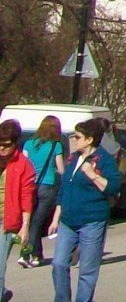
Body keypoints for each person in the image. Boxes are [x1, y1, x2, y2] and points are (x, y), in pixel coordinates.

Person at [47, 117, 120, 302]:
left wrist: (92, 175)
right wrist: (56, 218)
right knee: (58, 263)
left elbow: (113, 188)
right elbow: (64, 189)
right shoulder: (73, 159)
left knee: (87, 270)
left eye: (78, 137)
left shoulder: (104, 160)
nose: (74, 140)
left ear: (89, 139)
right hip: (68, 221)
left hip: (92, 221)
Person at [20, 117, 62, 267]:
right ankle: (26, 254)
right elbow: (61, 169)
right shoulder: (56, 145)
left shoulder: (28, 144)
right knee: (37, 223)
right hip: (48, 186)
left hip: (30, 185)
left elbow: (23, 166)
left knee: (32, 222)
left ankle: (37, 254)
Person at [2, 117, 34, 289]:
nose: (1, 148)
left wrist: (25, 225)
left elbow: (26, 197)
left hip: (4, 222)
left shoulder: (23, 165)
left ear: (15, 143)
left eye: (6, 144)